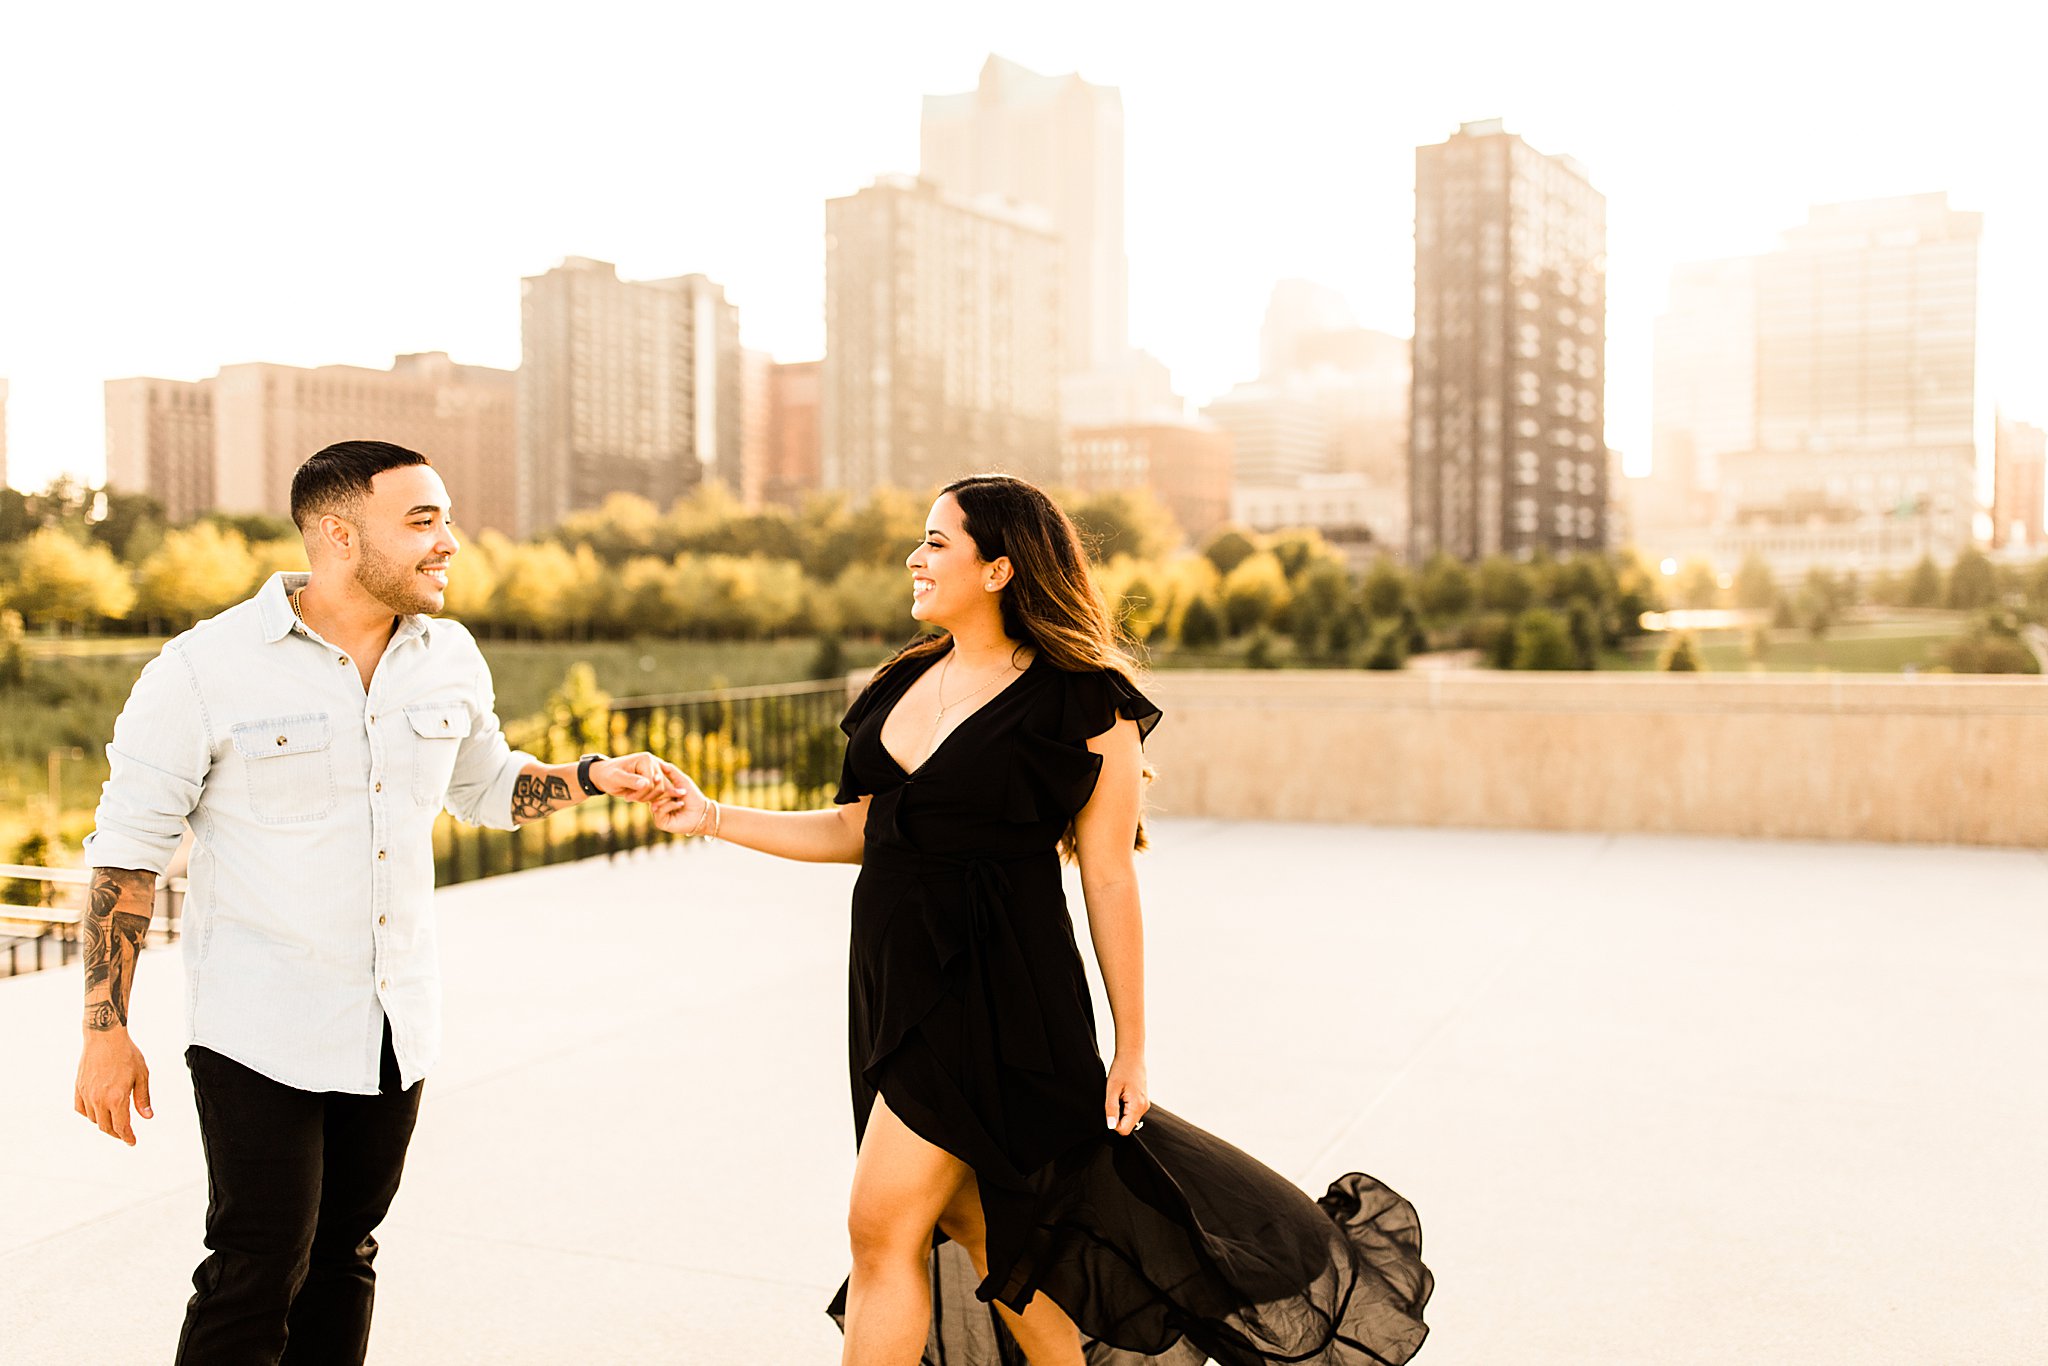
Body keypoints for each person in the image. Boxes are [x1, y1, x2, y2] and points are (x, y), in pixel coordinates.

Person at [651, 474, 1432, 1365]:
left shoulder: (1086, 702)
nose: (915, 555)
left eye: (938, 541)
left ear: (999, 569)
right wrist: (710, 814)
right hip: (893, 988)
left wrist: (1130, 1044)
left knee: (879, 1229)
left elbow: (1108, 878)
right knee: (992, 1238)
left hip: (999, 997)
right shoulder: (903, 681)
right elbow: (857, 830)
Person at [72, 440, 680, 1365]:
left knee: (345, 1258)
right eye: (423, 521)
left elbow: (485, 787)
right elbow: (127, 858)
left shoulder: (449, 655)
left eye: (446, 518)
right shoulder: (202, 669)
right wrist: (104, 1031)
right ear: (339, 535)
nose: (451, 542)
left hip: (398, 1025)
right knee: (255, 1266)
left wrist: (594, 776)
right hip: (258, 1030)